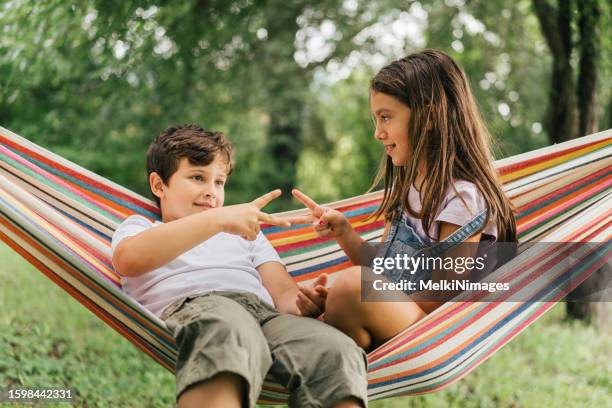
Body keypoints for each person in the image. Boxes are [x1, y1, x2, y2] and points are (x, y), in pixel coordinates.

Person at [111, 125, 367, 408]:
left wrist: (305, 303)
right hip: (204, 308)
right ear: (159, 185)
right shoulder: (143, 227)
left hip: (267, 317)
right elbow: (128, 259)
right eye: (198, 177)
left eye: (219, 182)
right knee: (229, 329)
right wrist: (218, 220)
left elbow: (284, 297)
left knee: (335, 350)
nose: (211, 192)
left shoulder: (248, 235)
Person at [289, 49, 517, 352]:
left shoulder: (464, 200)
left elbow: (440, 297)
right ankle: (335, 334)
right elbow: (385, 270)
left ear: (429, 116)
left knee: (349, 286)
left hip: (425, 327)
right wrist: (344, 233)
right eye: (376, 119)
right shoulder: (409, 189)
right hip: (395, 313)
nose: (377, 133)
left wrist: (348, 296)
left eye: (385, 117)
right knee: (323, 289)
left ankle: (334, 332)